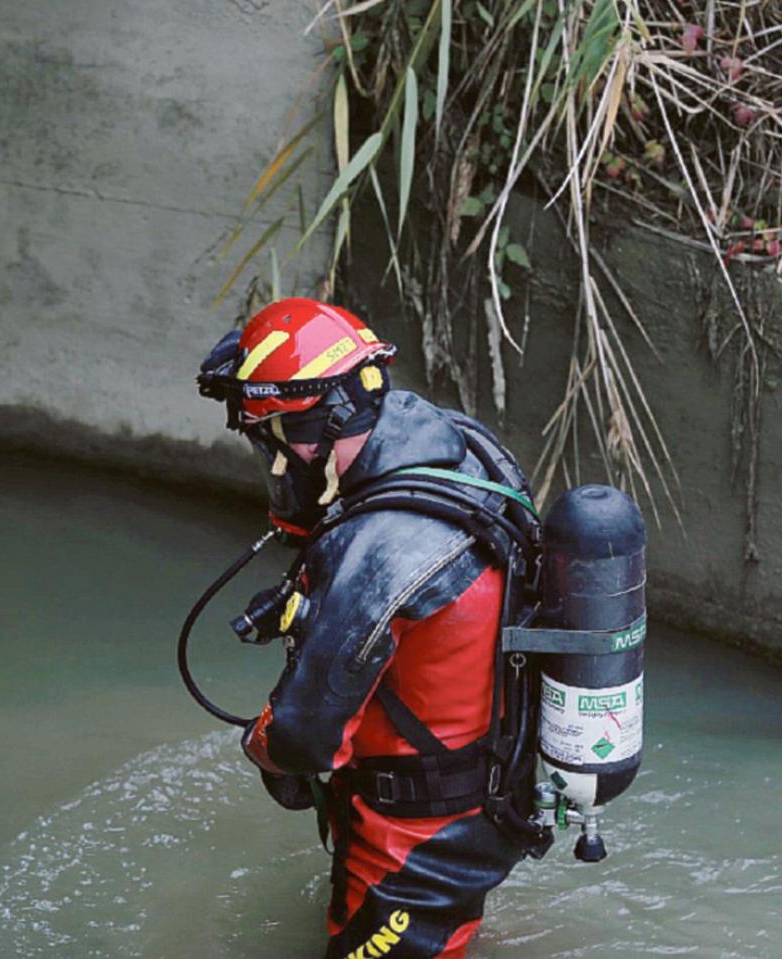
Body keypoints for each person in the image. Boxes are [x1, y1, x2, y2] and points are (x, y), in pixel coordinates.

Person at [196, 297, 547, 959]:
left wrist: (258, 744)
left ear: (320, 425)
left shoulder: (378, 552)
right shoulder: (459, 450)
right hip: (491, 793)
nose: (278, 460)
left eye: (277, 438)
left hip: (414, 845)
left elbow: (303, 738)